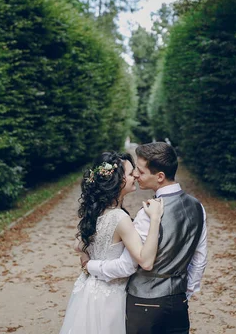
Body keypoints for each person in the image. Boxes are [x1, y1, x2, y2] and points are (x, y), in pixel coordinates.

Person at [83, 142, 208, 334]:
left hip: (144, 304)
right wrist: (185, 292)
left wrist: (89, 265)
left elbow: (128, 265)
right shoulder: (197, 207)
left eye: (140, 171)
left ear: (159, 176)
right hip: (178, 302)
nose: (136, 175)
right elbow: (199, 258)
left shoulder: (147, 213)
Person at [59, 151, 164, 334]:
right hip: (110, 296)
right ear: (117, 180)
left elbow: (78, 244)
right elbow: (145, 261)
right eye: (131, 174)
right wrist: (155, 219)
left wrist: (87, 262)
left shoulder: (95, 212)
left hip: (88, 290)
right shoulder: (119, 218)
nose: (135, 177)